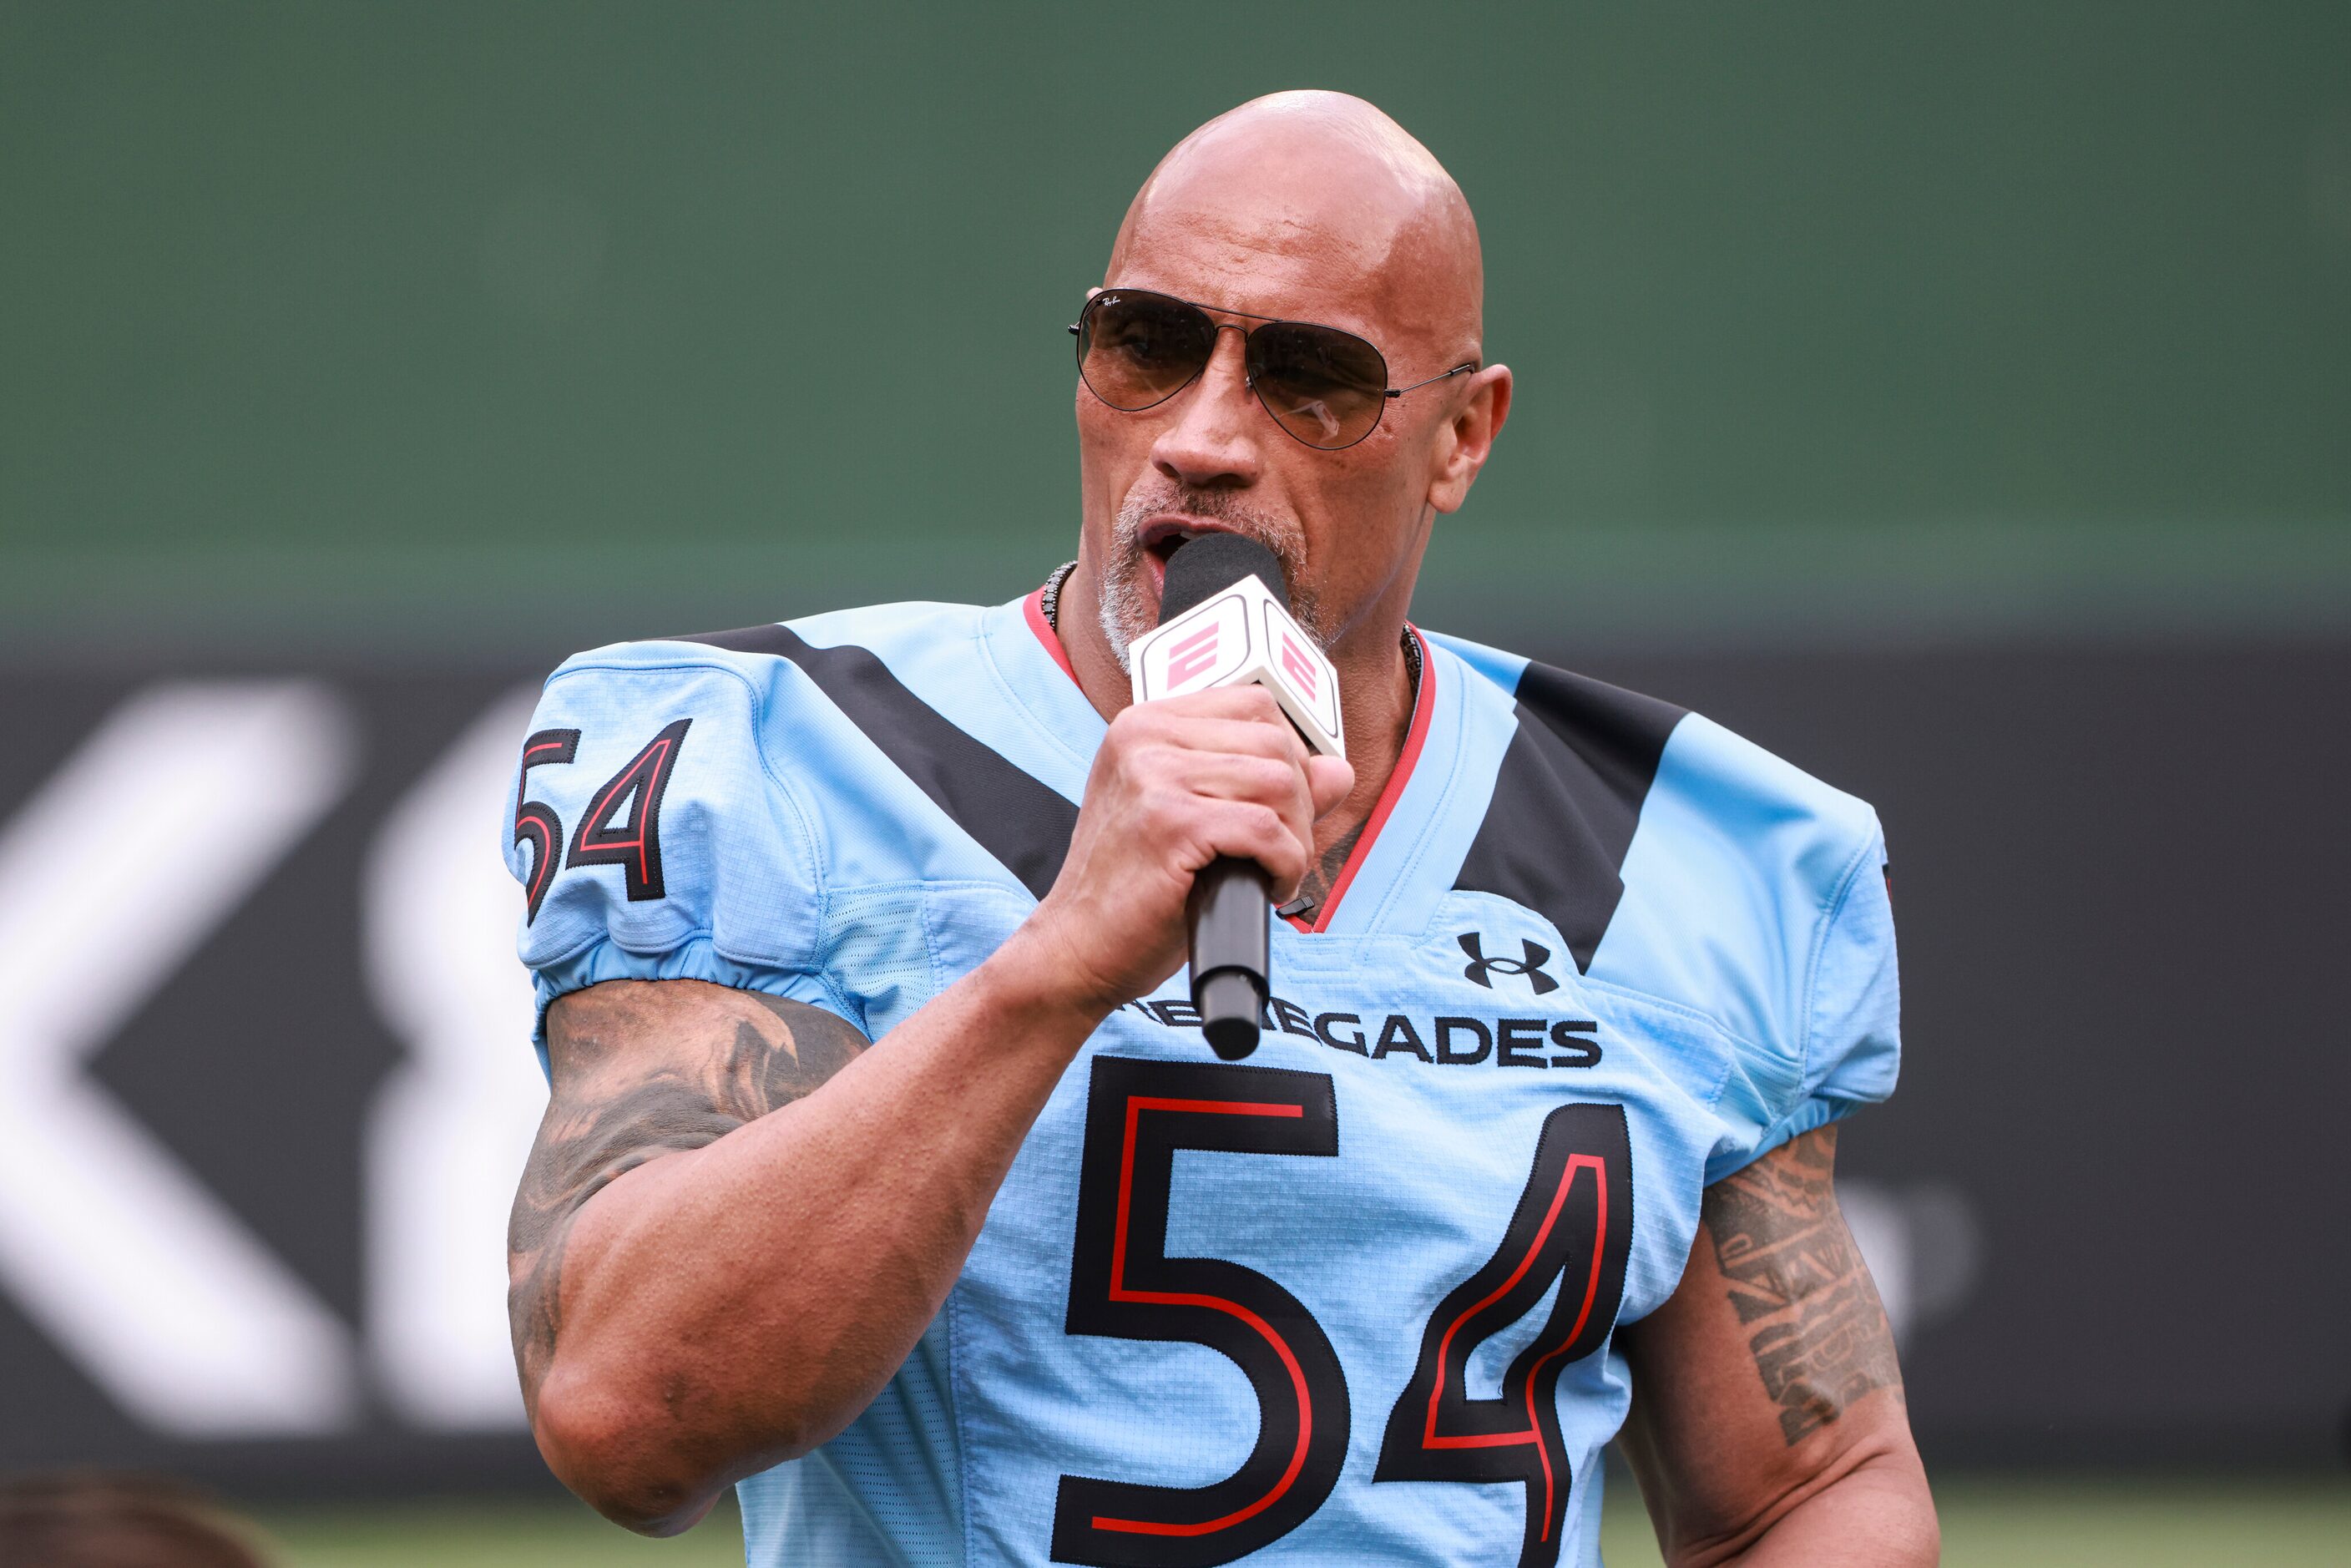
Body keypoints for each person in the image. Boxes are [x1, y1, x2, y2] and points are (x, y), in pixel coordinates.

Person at [501, 91, 1937, 1566]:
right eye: (1149, 344)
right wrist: (1053, 965)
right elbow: (626, 1411)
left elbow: (1806, 1488)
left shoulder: (1680, 855)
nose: (1201, 436)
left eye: (1310, 381)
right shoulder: (794, 756)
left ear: (1460, 435)